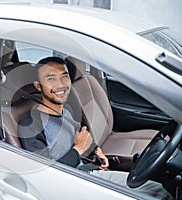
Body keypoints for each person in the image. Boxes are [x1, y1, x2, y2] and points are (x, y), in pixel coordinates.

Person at [17, 56, 173, 200]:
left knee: (157, 190)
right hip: (71, 184)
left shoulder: (66, 110)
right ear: (38, 86)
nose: (61, 84)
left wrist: (95, 150)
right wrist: (78, 150)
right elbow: (44, 175)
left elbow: (79, 138)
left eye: (64, 76)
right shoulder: (31, 123)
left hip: (85, 170)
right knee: (157, 193)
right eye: (51, 78)